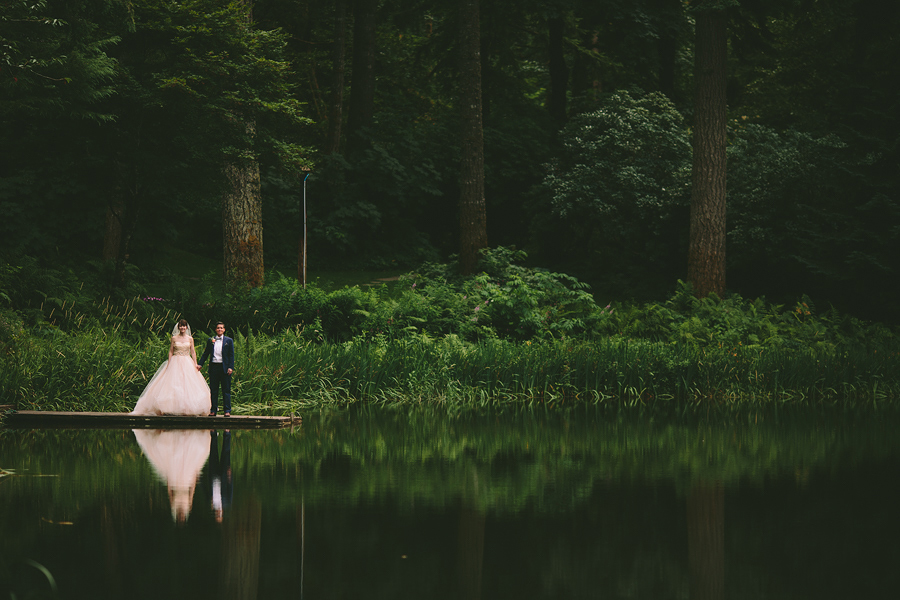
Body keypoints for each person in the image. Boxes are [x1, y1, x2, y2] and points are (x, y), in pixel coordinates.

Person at [132, 319, 210, 416]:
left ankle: (186, 408)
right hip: (175, 360)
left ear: (186, 327)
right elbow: (170, 351)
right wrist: (169, 363)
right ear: (178, 327)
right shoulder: (174, 338)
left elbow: (193, 351)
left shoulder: (190, 339)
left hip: (187, 360)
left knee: (187, 384)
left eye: (184, 326)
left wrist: (195, 363)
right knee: (173, 384)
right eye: (181, 326)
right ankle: (170, 408)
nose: (182, 328)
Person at [197, 321, 235, 417]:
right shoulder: (211, 340)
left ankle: (227, 410)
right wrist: (200, 364)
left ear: (224, 330)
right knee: (214, 390)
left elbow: (231, 355)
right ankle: (213, 410)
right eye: (218, 328)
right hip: (214, 367)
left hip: (224, 368)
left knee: (226, 390)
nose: (219, 329)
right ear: (215, 330)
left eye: (221, 328)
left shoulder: (228, 341)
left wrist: (230, 367)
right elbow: (206, 353)